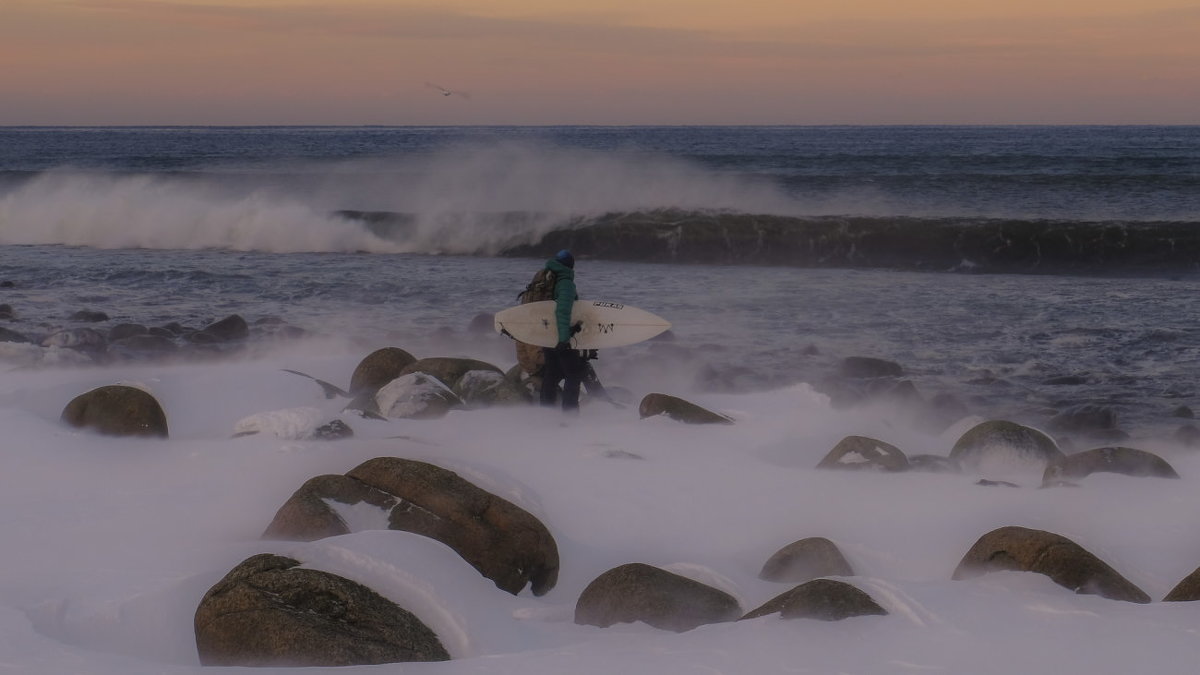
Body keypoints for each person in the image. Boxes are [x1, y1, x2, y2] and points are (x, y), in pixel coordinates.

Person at [539, 249, 589, 412]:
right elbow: (562, 312)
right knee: (573, 375)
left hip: (546, 334)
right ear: (570, 266)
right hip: (561, 336)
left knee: (552, 374)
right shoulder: (565, 283)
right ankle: (570, 414)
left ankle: (545, 412)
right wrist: (564, 339)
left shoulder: (547, 278)